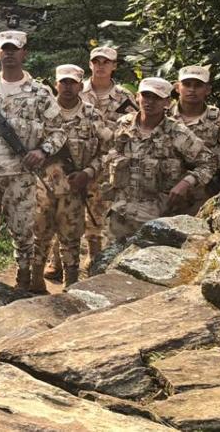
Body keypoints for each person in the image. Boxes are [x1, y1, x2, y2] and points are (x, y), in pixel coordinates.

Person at [0, 30, 65, 289]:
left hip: (20, 174)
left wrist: (42, 152)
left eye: (14, 49)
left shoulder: (40, 92)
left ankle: (23, 276)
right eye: (4, 49)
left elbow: (59, 130)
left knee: (22, 227)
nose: (9, 53)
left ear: (24, 53)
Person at [101, 77, 215, 242]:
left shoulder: (178, 133)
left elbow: (208, 163)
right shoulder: (123, 125)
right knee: (110, 263)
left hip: (158, 218)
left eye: (157, 97)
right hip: (121, 214)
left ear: (167, 101)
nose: (150, 101)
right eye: (146, 95)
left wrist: (186, 183)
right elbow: (107, 152)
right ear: (138, 96)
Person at [29, 65, 110, 290]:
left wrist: (88, 173)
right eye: (63, 82)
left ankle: (71, 284)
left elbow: (107, 151)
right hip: (42, 185)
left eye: (72, 82)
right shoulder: (41, 111)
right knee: (39, 233)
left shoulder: (92, 115)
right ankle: (35, 281)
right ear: (56, 84)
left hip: (75, 186)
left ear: (80, 85)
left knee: (71, 236)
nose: (67, 86)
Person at [70, 45, 137, 274]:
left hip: (108, 163)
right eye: (96, 61)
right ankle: (57, 259)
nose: (100, 66)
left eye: (106, 62)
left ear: (114, 66)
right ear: (90, 64)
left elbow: (133, 128)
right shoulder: (75, 90)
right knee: (66, 207)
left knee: (99, 208)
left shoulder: (125, 98)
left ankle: (94, 253)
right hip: (76, 158)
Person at [171, 66, 220, 214]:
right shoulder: (164, 117)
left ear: (207, 89)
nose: (191, 90)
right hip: (166, 193)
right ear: (177, 87)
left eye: (198, 85)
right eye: (187, 84)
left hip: (204, 196)